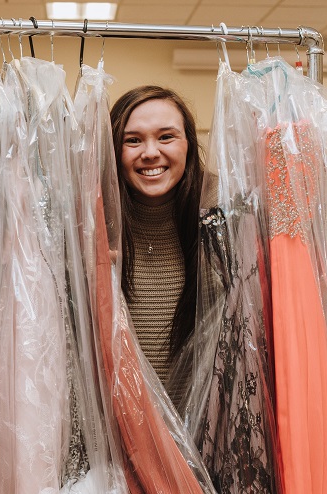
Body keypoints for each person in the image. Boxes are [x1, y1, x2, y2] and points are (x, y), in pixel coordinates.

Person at [110, 85, 204, 397]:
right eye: (133, 140)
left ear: (188, 143)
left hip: (203, 437)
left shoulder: (223, 222)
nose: (150, 153)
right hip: (119, 436)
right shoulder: (92, 227)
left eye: (166, 137)